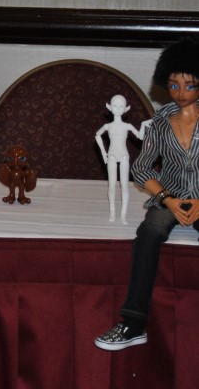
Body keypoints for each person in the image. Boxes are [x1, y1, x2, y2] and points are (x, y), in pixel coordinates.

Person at [95, 37, 199, 351]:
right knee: (149, 233)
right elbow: (141, 168)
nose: (181, 93)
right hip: (170, 195)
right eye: (174, 85)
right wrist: (168, 199)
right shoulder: (159, 123)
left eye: (190, 86)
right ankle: (134, 321)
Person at [94, 95, 145, 223]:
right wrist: (103, 152)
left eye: (121, 106)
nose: (118, 109)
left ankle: (123, 214)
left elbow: (140, 137)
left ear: (126, 109)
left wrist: (144, 124)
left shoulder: (127, 126)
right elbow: (97, 135)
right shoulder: (108, 126)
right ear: (110, 107)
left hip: (123, 156)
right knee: (111, 186)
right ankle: (112, 212)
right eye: (115, 106)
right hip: (111, 156)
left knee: (124, 186)